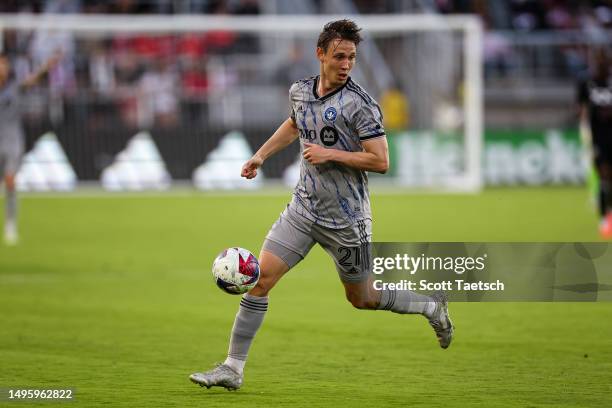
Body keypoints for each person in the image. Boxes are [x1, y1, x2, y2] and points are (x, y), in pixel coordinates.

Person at [189, 20, 454, 391]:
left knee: (362, 298)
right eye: (339, 56)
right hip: (303, 210)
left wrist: (330, 153)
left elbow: (381, 161)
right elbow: (296, 125)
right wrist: (260, 155)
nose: (346, 64)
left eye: (352, 58)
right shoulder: (300, 91)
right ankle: (233, 368)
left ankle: (430, 306)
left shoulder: (361, 105)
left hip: (347, 221)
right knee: (260, 280)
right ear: (321, 54)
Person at [0, 51, 61, 245]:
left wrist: (47, 66)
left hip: (12, 142)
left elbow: (34, 79)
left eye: (4, 64)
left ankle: (10, 225)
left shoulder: (15, 87)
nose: (2, 68)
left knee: (10, 182)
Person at [577, 48, 612, 238]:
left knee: (608, 180)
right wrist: (584, 132)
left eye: (603, 61)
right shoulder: (587, 84)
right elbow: (581, 108)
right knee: (603, 178)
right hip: (598, 138)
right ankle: (604, 218)